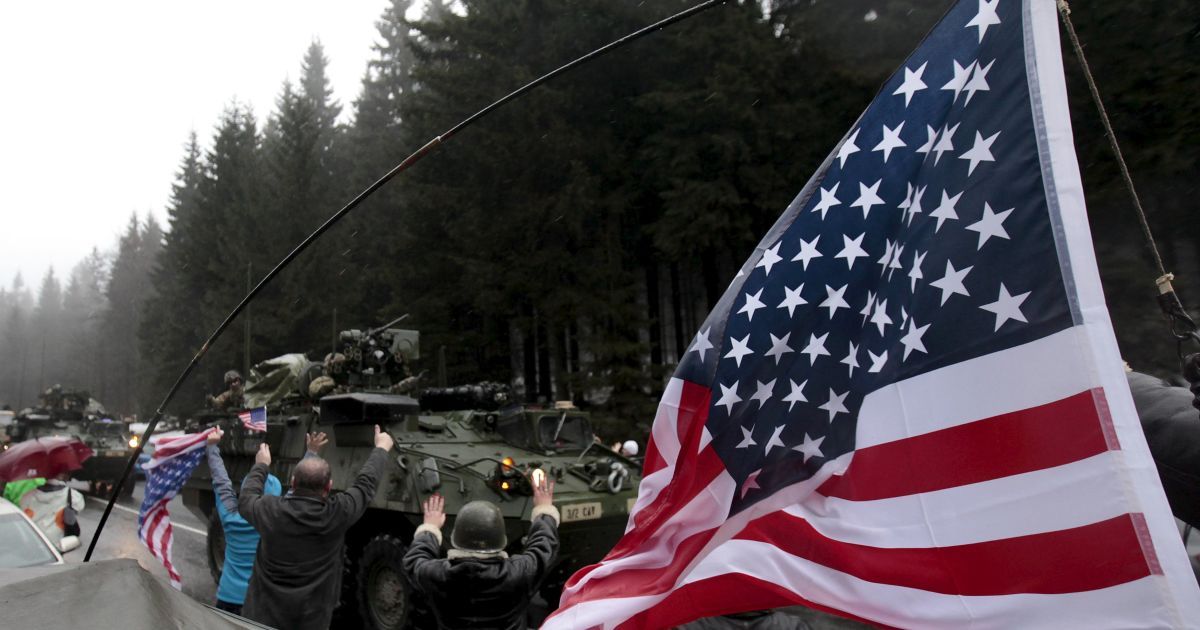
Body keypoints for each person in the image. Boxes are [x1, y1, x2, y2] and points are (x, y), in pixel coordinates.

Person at [237, 425, 393, 630]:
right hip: (310, 620)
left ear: (292, 482)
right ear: (329, 486)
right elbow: (365, 485)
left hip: (260, 617)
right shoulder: (337, 514)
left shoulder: (270, 510)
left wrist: (261, 466)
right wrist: (381, 448)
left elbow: (246, 498)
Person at [404, 473, 559, 629]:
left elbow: (414, 560)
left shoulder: (436, 575)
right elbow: (544, 545)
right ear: (501, 539)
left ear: (456, 539)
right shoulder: (520, 573)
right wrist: (543, 509)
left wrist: (430, 527)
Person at [205, 428, 328, 615]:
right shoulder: (277, 518)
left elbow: (220, 479)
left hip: (227, 598)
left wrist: (212, 447)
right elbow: (298, 491)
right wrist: (311, 452)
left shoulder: (229, 514)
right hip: (259, 602)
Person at [19, 471, 84, 552]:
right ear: (66, 475)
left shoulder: (27, 496)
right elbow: (78, 509)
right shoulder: (74, 496)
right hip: (55, 548)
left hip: (32, 543)